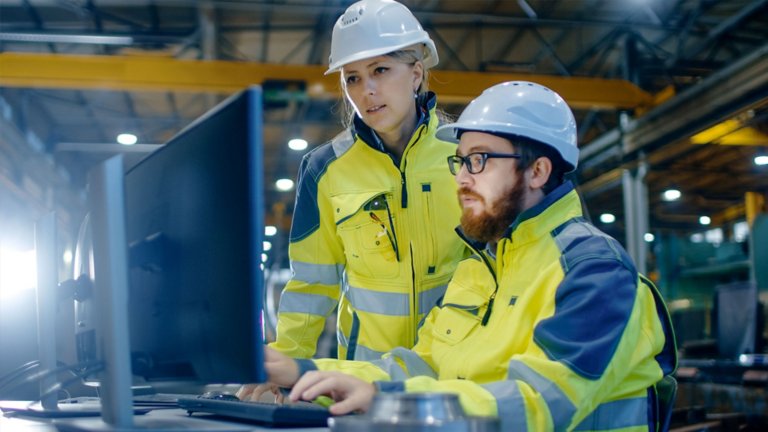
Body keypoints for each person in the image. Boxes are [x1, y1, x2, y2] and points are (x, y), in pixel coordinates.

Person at [259, 81, 678, 431]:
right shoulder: (479, 270)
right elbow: (418, 366)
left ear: (538, 171)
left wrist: (386, 400)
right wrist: (299, 371)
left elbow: (537, 403)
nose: (460, 178)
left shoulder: (594, 273)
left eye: (478, 161)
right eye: (459, 163)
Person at [241, 0, 467, 402]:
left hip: (458, 372)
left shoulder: (466, 155)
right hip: (365, 378)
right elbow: (313, 282)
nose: (367, 91)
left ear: (416, 73)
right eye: (353, 78)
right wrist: (284, 367)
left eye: (380, 70)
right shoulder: (325, 169)